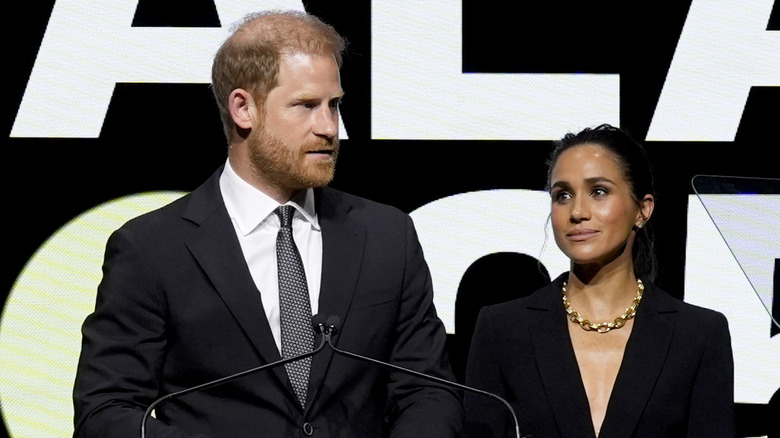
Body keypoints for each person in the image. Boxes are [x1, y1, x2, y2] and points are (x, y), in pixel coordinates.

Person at [72, 10, 463, 438]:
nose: (329, 128)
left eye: (334, 105)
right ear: (243, 109)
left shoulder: (387, 235)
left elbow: (429, 392)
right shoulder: (152, 247)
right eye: (306, 106)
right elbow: (106, 411)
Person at [464, 124, 734, 437]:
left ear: (642, 210)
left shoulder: (699, 335)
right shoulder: (501, 330)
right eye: (562, 195)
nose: (577, 211)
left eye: (599, 192)